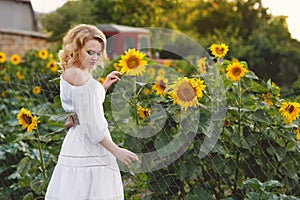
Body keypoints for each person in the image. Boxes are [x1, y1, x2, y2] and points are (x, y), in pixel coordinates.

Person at [45, 24, 139, 200]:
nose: (95, 58)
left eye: (98, 53)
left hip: (78, 139)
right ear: (77, 49)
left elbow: (84, 105)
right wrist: (116, 150)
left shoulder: (72, 71)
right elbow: (92, 125)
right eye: (90, 52)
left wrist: (101, 88)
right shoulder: (79, 76)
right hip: (90, 145)